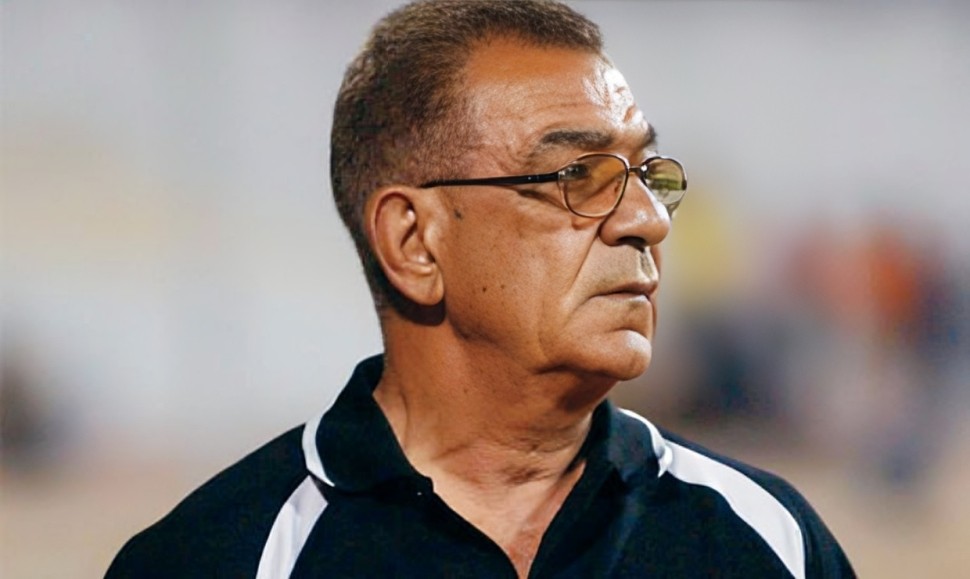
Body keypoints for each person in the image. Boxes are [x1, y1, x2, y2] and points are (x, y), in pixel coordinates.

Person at [106, 1, 854, 577]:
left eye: (645, 174)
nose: (648, 220)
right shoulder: (221, 556)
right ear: (413, 241)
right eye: (579, 176)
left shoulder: (767, 540)